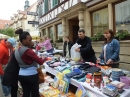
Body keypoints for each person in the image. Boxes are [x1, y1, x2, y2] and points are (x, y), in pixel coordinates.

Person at [14, 29, 46, 97]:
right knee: (35, 93)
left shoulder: (17, 50)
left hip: (21, 75)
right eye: (29, 40)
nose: (31, 42)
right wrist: (44, 58)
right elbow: (40, 62)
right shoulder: (28, 51)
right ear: (23, 40)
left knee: (26, 93)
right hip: (31, 75)